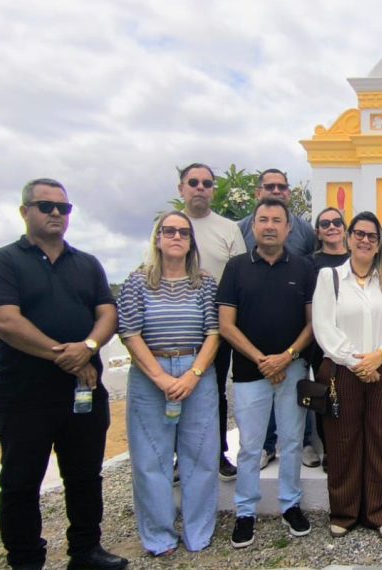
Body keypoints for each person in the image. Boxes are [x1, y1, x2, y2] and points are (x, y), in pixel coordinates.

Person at [0, 178, 127, 569]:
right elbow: (4, 320)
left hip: (83, 392)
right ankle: (25, 560)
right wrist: (66, 355)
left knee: (85, 476)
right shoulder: (3, 261)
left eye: (63, 207)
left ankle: (85, 551)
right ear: (25, 211)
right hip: (24, 393)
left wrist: (88, 348)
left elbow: (107, 312)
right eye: (46, 206)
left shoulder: (86, 264)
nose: (56, 213)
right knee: (21, 482)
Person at [116, 211, 221, 556]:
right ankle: (159, 536)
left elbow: (213, 331)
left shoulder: (204, 283)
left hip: (197, 369)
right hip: (151, 371)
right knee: (151, 459)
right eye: (169, 231)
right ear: (157, 238)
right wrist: (160, 377)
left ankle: (198, 532)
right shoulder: (137, 281)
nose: (176, 236)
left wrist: (193, 375)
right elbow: (129, 333)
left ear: (191, 241)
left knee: (201, 456)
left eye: (183, 232)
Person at [218, 197, 315, 548]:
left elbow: (312, 323)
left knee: (290, 441)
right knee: (250, 446)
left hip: (292, 370)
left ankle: (291, 504)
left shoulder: (304, 268)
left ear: (288, 228)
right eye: (263, 219)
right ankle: (245, 512)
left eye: (277, 220)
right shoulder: (236, 267)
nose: (270, 225)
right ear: (253, 226)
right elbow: (226, 325)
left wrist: (285, 358)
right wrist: (263, 359)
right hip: (249, 372)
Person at [313, 211, 382, 539]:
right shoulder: (331, 278)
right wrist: (355, 362)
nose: (365, 240)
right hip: (343, 370)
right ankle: (344, 511)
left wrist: (378, 356)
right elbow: (324, 326)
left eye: (372, 235)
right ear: (349, 237)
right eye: (359, 233)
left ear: (379, 241)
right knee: (343, 441)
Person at [236, 168, 320, 470]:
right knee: (262, 393)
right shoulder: (243, 228)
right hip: (255, 334)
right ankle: (267, 446)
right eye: (269, 186)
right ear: (259, 192)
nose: (276, 191)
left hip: (296, 330)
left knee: (299, 390)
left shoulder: (304, 229)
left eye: (282, 186)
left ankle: (306, 443)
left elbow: (313, 261)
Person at [176, 162, 245, 481]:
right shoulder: (170, 227)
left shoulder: (227, 228)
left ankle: (217, 454)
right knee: (176, 390)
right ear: (182, 188)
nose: (200, 187)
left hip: (216, 328)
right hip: (176, 326)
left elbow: (238, 278)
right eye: (194, 182)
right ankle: (179, 457)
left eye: (207, 183)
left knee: (213, 391)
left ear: (213, 190)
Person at [305, 206, 352, 471]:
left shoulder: (355, 259)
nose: (332, 227)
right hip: (320, 342)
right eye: (325, 224)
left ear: (344, 228)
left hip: (355, 338)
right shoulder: (309, 264)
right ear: (318, 232)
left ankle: (351, 447)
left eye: (337, 222)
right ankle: (329, 450)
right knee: (326, 396)